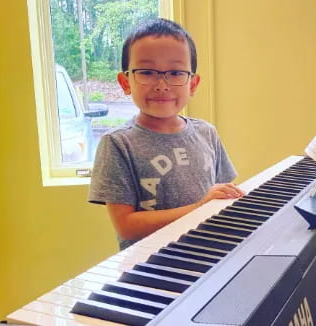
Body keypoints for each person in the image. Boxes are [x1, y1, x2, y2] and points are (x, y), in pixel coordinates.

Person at [89, 18, 244, 250]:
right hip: (154, 268)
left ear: (192, 84)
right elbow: (126, 226)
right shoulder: (117, 144)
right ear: (125, 82)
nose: (162, 84)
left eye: (175, 72)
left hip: (209, 258)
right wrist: (198, 209)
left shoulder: (206, 133)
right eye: (147, 72)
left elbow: (223, 197)